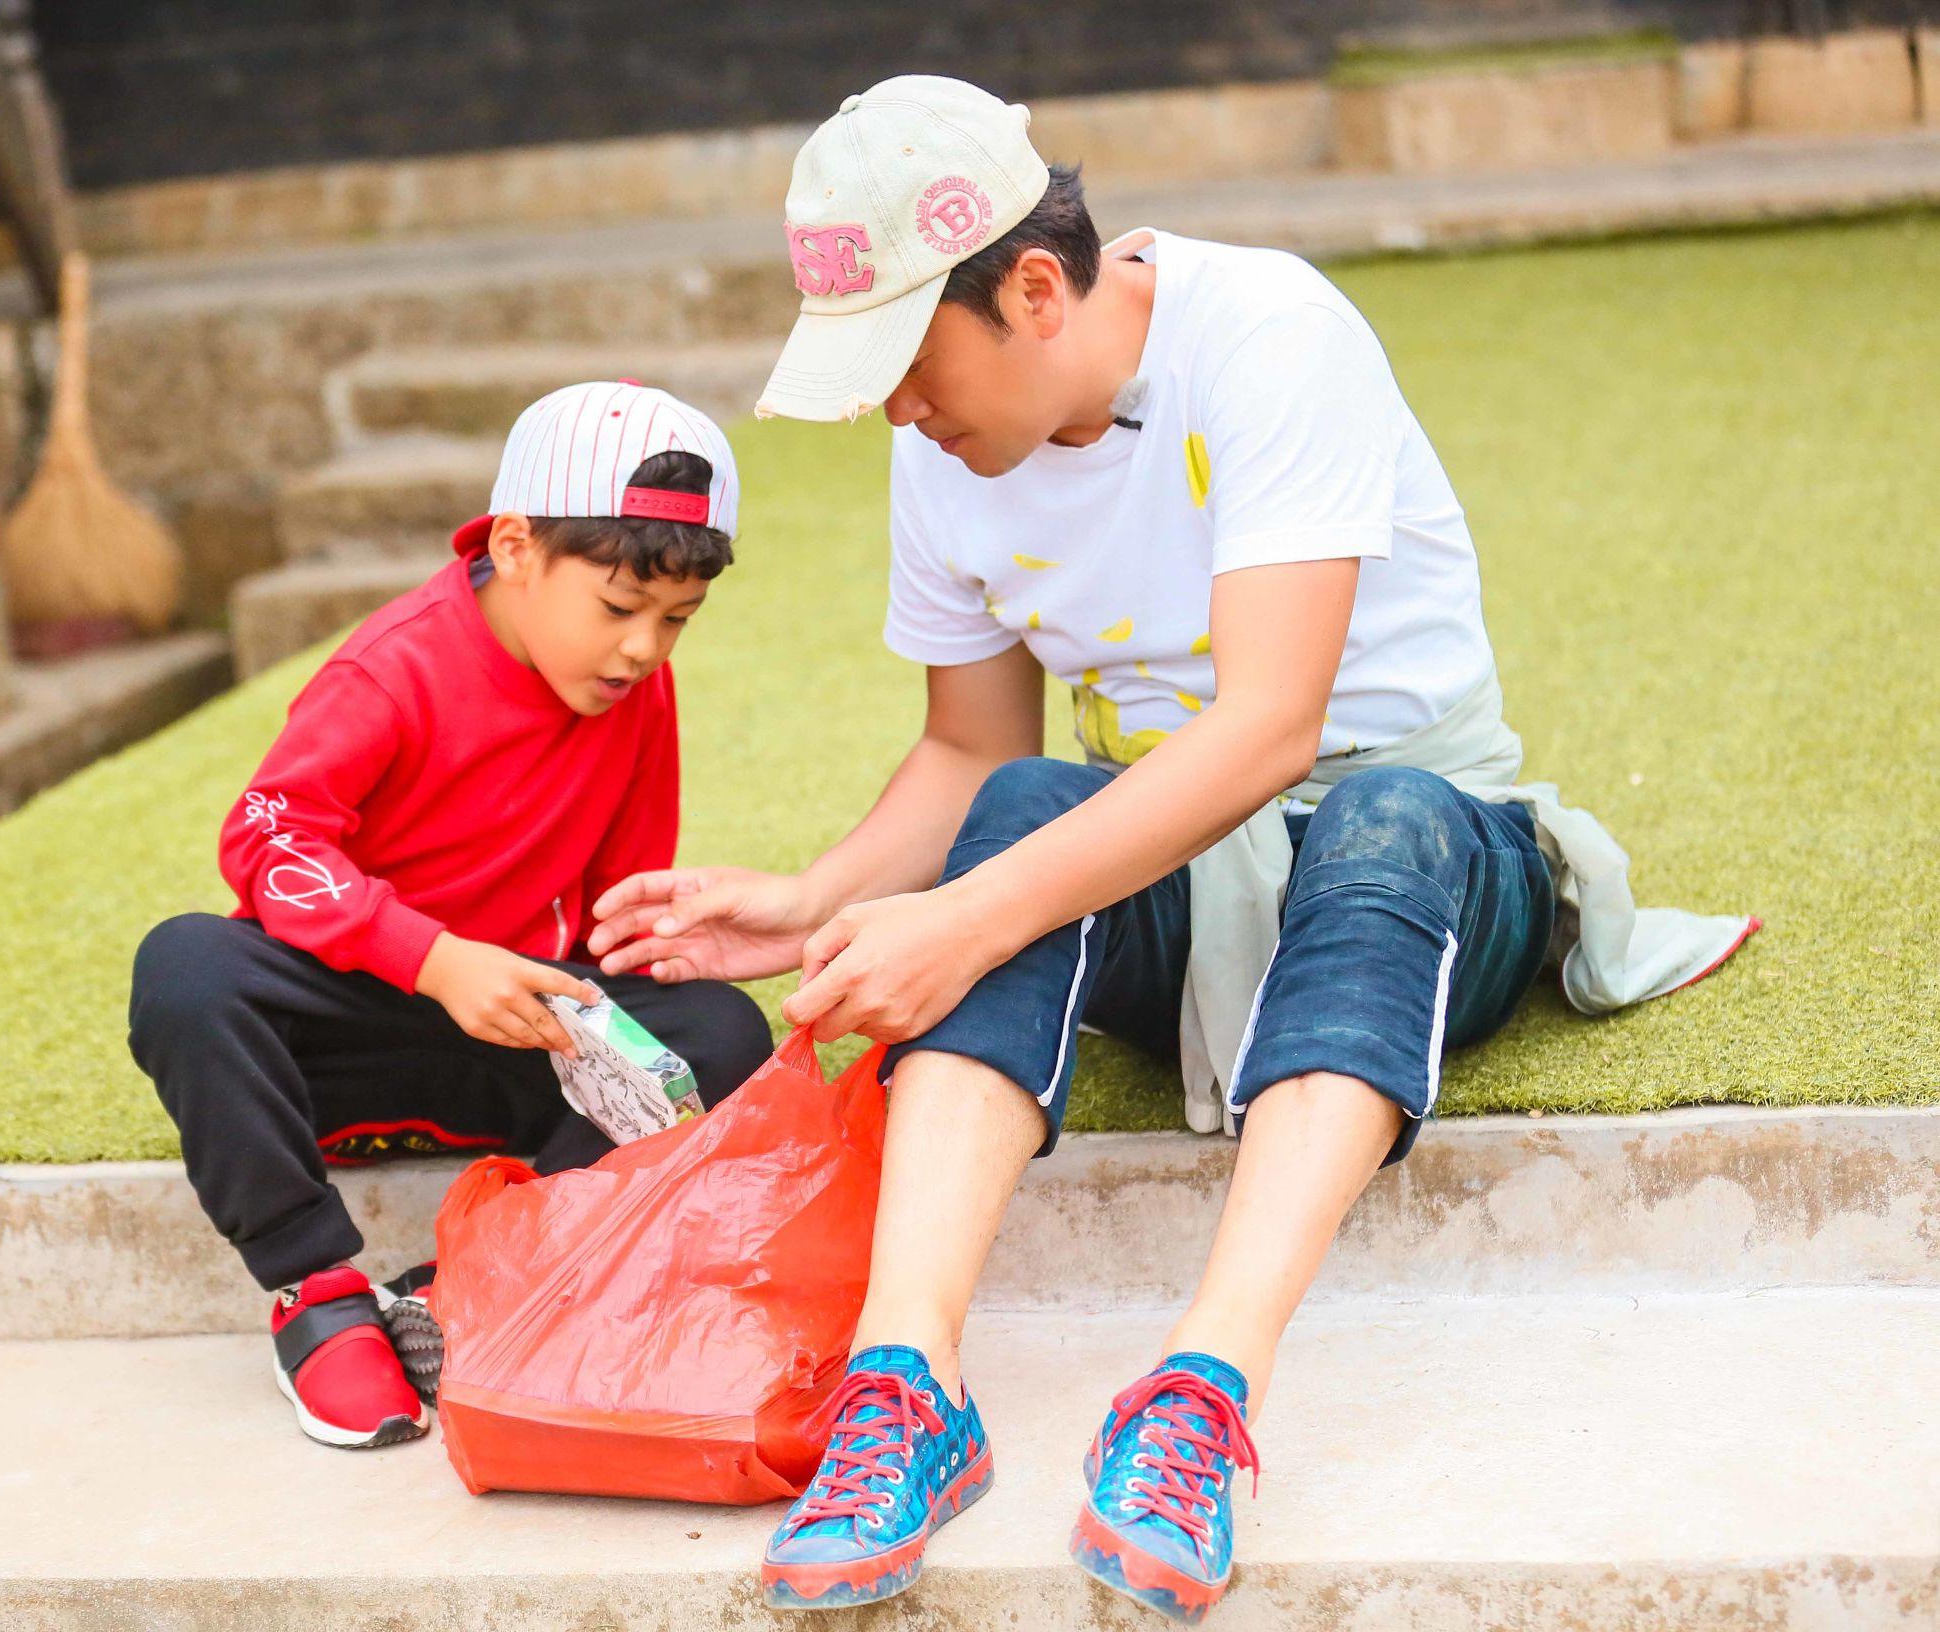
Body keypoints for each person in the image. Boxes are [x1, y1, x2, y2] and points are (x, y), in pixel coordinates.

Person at [588, 77, 1756, 1619]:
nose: (896, 411)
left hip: (1414, 840)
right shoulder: (945, 446)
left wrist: (965, 923)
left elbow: (1273, 726)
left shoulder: (1272, 335)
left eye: (906, 364)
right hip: (1169, 873)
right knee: (1013, 819)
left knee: (1372, 823)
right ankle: (905, 1389)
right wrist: (816, 899)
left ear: (1032, 287)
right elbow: (972, 751)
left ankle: (1200, 1396)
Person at [130, 381, 775, 1452]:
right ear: (515, 547)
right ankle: (318, 1296)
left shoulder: (631, 695)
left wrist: (644, 951)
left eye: (676, 621)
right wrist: (432, 959)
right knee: (187, 967)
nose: (643, 651)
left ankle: (464, 1285)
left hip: (508, 1038)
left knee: (719, 1029)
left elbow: (611, 907)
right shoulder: (392, 669)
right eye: (618, 609)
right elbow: (267, 839)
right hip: (343, 1031)